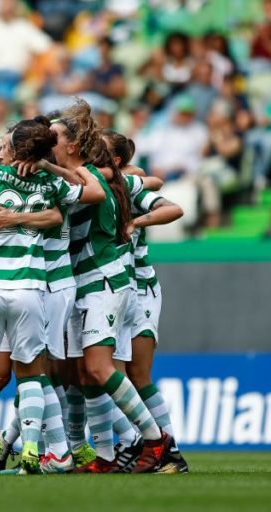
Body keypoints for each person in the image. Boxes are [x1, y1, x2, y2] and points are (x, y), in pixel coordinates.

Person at [0, 116, 105, 475]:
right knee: (32, 374)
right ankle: (31, 444)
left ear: (13, 150)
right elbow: (91, 191)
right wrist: (46, 167)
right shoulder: (51, 184)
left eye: (6, 144)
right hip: (32, 290)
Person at [50, 99, 172, 473]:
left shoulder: (91, 178)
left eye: (52, 137)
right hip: (86, 284)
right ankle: (104, 455)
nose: (45, 142)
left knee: (102, 369)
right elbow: (139, 177)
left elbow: (133, 184)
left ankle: (154, 442)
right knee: (87, 373)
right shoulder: (86, 175)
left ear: (71, 145)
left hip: (104, 280)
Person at [104, 131, 189, 474]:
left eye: (103, 150)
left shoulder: (127, 184)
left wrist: (135, 220)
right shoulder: (107, 180)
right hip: (115, 289)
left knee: (134, 374)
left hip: (138, 289)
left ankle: (168, 450)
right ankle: (132, 444)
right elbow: (146, 175)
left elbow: (149, 182)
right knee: (108, 374)